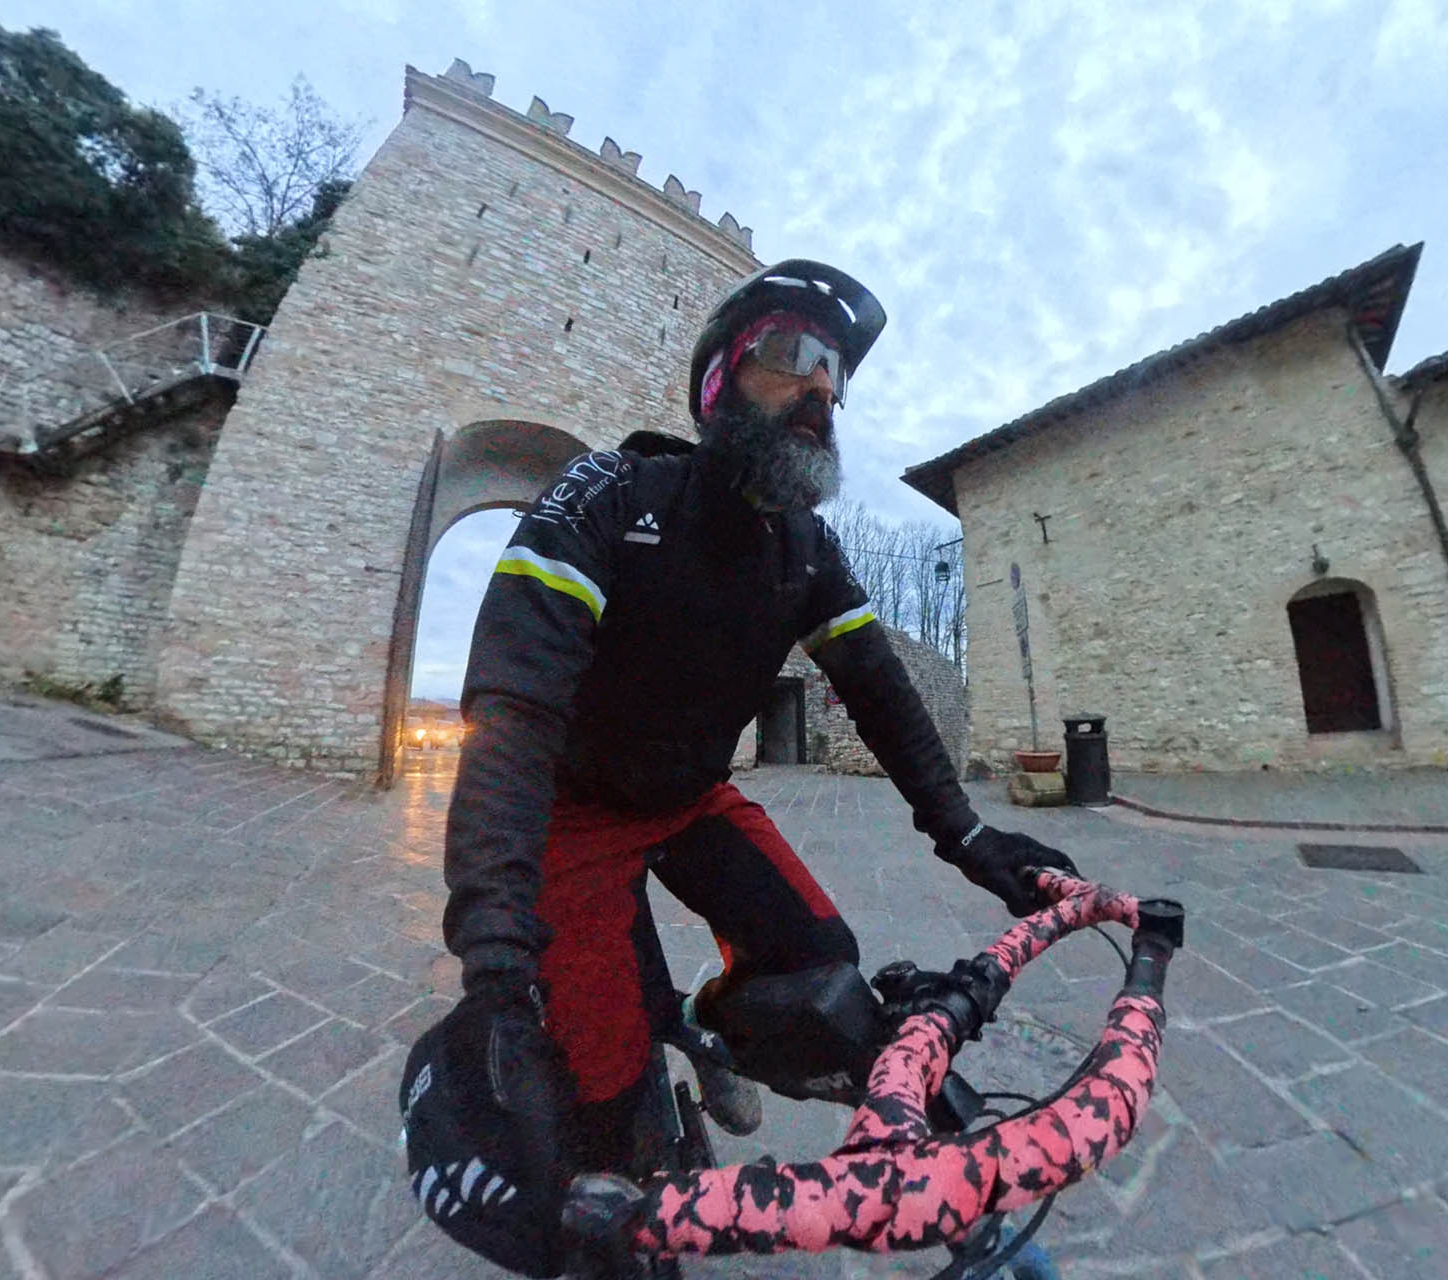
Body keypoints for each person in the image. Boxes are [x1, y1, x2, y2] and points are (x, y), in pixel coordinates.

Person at [400, 260, 1079, 1277]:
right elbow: (513, 709)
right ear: (719, 382)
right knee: (600, 1100)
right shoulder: (610, 492)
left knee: (823, 966)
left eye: (836, 374)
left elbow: (880, 689)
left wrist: (967, 832)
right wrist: (495, 957)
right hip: (574, 811)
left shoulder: (805, 546)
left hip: (689, 798)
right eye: (794, 355)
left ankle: (710, 1030)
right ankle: (644, 1075)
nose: (822, 389)